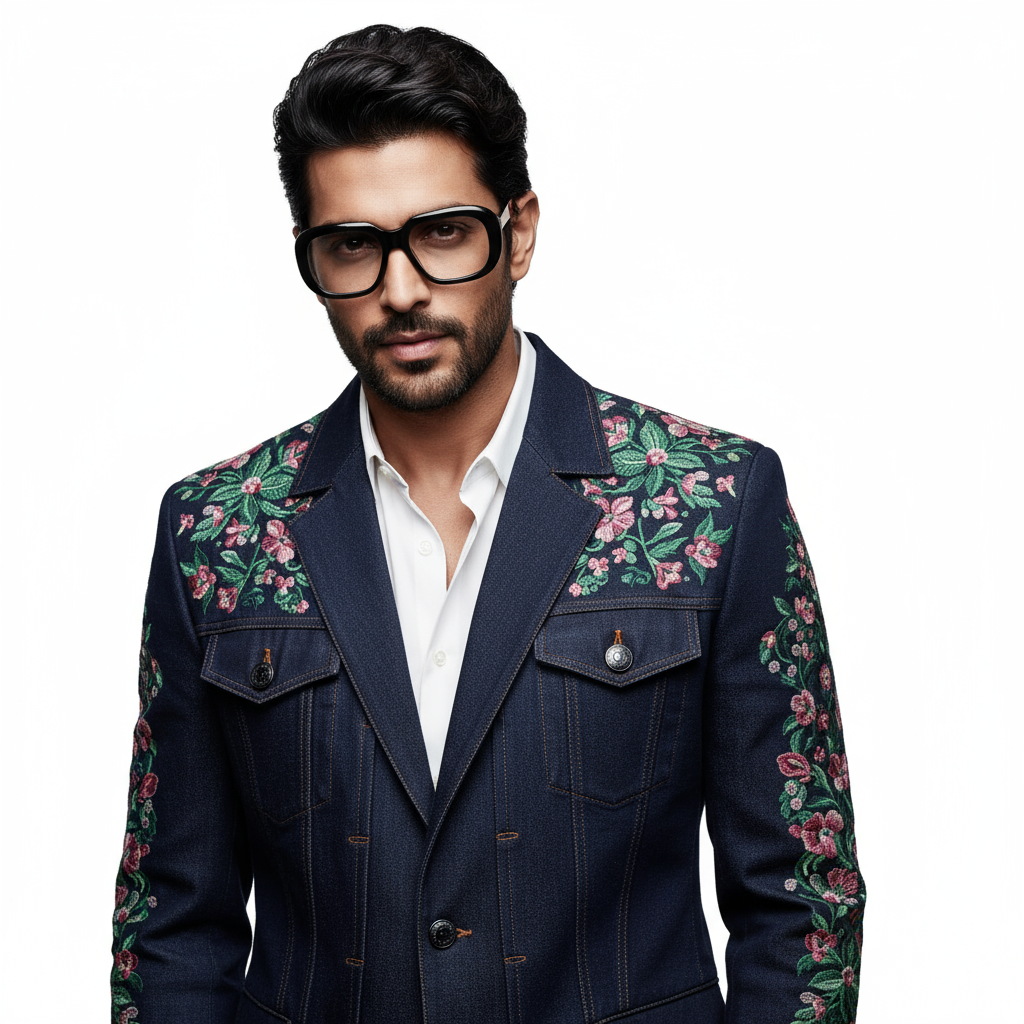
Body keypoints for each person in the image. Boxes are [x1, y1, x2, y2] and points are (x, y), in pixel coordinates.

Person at [110, 24, 864, 1024]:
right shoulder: (217, 531)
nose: (401, 290)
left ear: (519, 232)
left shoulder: (710, 503)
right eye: (352, 246)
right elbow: (170, 922)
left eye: (443, 232)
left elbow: (804, 904)